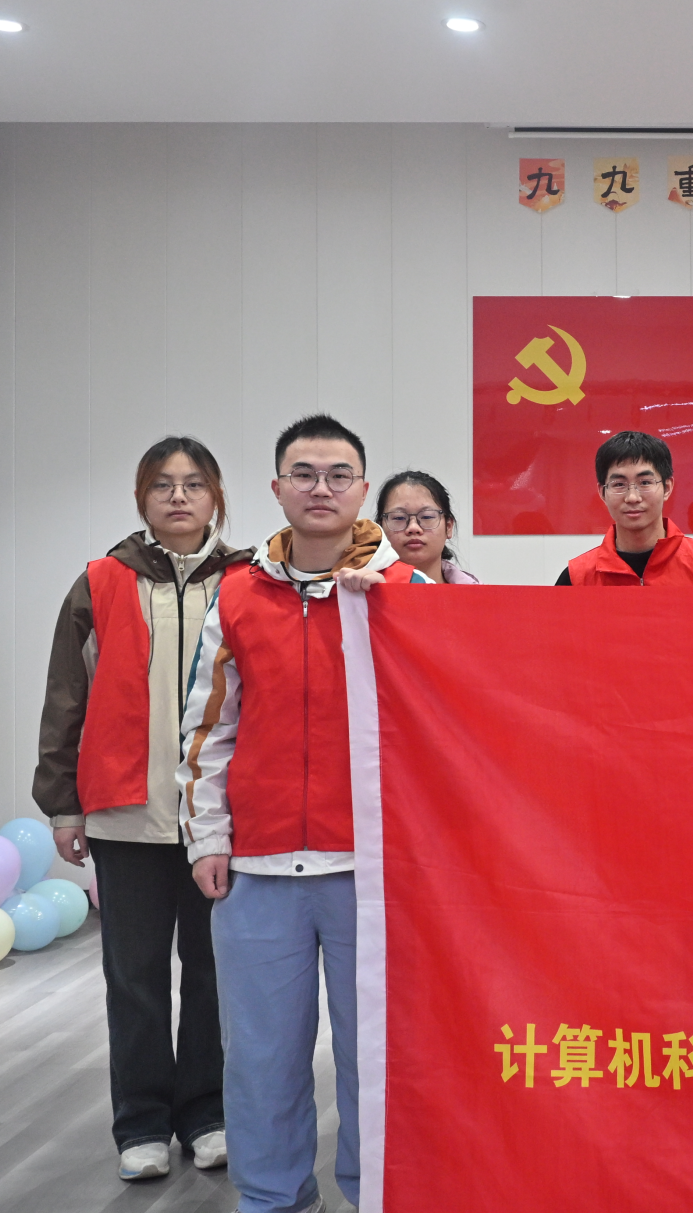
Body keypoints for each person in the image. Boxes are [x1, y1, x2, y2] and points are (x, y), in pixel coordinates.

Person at [180, 413, 415, 1213]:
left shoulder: (407, 593)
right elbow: (207, 729)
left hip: (373, 872)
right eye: (304, 473)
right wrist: (207, 838)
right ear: (277, 488)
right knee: (261, 1056)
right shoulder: (238, 594)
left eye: (338, 473)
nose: (322, 487)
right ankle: (272, 1197)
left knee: (376, 1054)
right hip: (258, 865)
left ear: (362, 487)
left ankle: (376, 1192)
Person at [33, 437, 251, 1182]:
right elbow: (66, 697)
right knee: (133, 978)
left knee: (214, 974)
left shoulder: (250, 579)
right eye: (163, 485)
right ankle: (142, 1122)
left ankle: (208, 1113)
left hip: (219, 818)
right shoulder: (100, 581)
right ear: (141, 498)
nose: (179, 497)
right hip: (125, 815)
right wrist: (62, 804)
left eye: (194, 484)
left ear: (216, 496)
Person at [554, 430, 693, 585]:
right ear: (602, 492)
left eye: (645, 482)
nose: (632, 497)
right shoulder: (577, 578)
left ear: (667, 487)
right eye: (619, 484)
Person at [376, 469, 479, 583]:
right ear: (379, 529)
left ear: (448, 527)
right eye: (399, 518)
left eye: (427, 516)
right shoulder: (364, 590)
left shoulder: (475, 592)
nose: (413, 528)